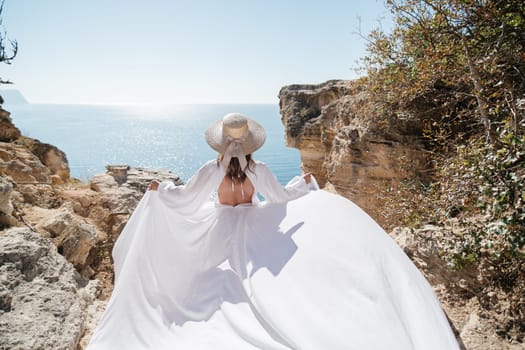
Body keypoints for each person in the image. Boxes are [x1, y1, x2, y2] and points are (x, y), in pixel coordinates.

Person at [87, 113, 460, 350]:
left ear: (219, 142)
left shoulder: (210, 169)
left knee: (214, 277)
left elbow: (185, 198)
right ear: (249, 143)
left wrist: (160, 192)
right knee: (259, 277)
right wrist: (303, 184)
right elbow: (280, 196)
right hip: (252, 223)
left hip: (219, 226)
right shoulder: (259, 168)